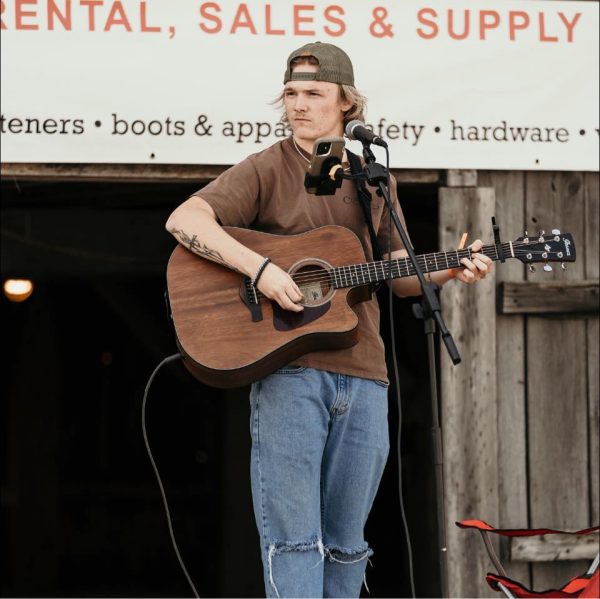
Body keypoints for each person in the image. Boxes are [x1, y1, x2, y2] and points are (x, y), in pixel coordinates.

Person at [166, 41, 492, 598]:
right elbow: (184, 218)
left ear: (347, 103)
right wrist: (262, 269)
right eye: (291, 93)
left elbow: (396, 272)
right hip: (290, 374)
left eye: (313, 93)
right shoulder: (267, 166)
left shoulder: (373, 179)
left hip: (365, 374)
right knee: (294, 539)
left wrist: (448, 271)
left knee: (348, 542)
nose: (298, 104)